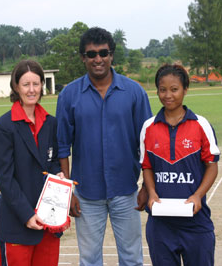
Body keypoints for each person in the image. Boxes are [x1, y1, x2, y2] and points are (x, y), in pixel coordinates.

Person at [56, 27, 152, 266]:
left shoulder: (134, 92)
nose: (97, 59)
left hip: (126, 191)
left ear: (111, 55)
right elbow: (62, 147)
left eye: (103, 53)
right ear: (83, 57)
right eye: (91, 54)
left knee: (132, 258)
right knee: (89, 260)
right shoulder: (69, 95)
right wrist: (68, 192)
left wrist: (146, 187)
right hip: (86, 194)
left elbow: (148, 144)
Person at [140, 64, 220, 266]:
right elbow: (147, 166)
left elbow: (211, 166)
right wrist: (151, 192)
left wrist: (197, 195)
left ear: (185, 90)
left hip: (196, 222)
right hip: (161, 225)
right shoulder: (148, 127)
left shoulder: (201, 125)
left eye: (174, 89)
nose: (168, 95)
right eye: (162, 89)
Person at [0, 60, 64, 266]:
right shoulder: (3, 127)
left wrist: (60, 176)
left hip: (49, 225)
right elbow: (5, 178)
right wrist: (27, 214)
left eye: (36, 84)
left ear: (42, 85)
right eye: (26, 84)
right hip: (17, 224)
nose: (32, 90)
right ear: (16, 87)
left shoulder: (52, 123)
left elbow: (54, 162)